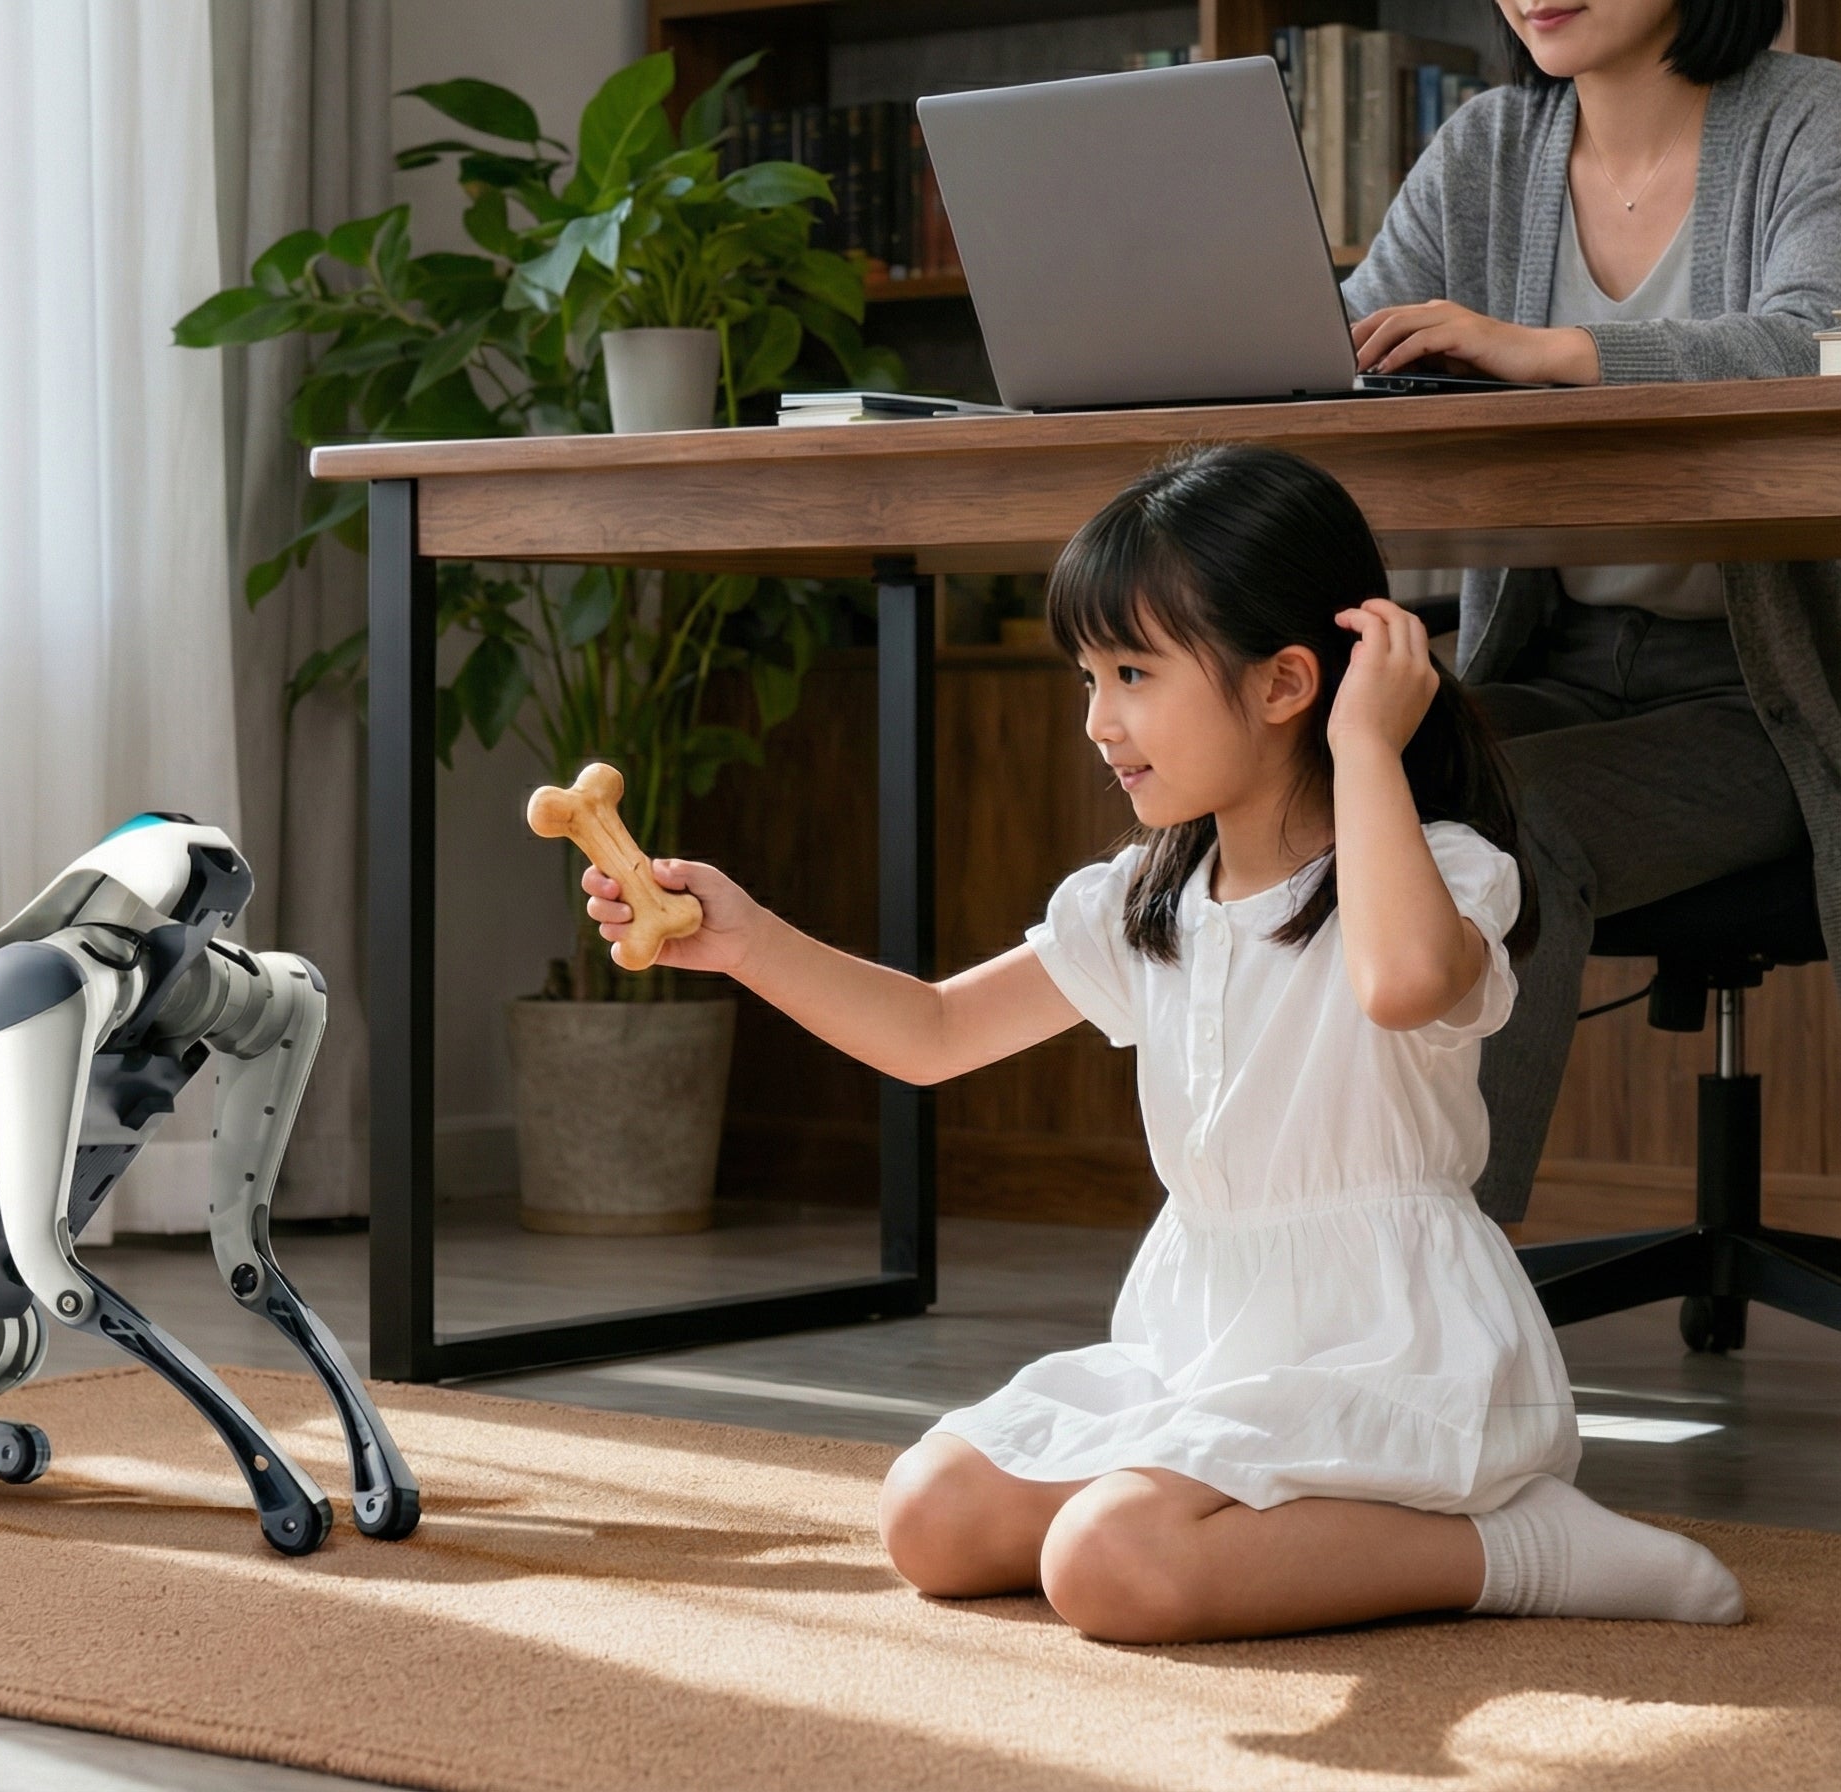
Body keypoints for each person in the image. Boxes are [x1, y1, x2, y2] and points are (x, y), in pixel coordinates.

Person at [579, 446, 1744, 1643]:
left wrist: (1367, 752)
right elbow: (934, 1032)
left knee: (1111, 1565)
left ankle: (1515, 1546)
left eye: (1132, 672)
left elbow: (1400, 985)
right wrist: (749, 938)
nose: (1097, 719)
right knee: (930, 1518)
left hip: (1390, 1341)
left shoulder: (1438, 868)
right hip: (1210, 1332)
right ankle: (1236, 1523)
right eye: (1089, 675)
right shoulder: (1145, 895)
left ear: (1291, 682)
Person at [1344, 0, 1841, 1224]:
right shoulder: (1487, 145)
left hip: (1771, 697)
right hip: (1556, 657)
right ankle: (1291, 1253)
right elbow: (1341, 364)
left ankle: (1447, 1293)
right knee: (1307, 787)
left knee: (1519, 819)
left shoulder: (1816, 118)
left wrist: (1553, 352)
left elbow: (1817, 343)